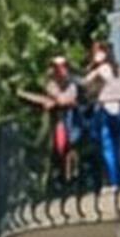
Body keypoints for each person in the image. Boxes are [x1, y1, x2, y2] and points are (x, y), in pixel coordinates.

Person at [18, 56, 77, 188]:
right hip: (56, 122)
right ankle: (55, 178)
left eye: (62, 67)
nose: (60, 70)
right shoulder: (50, 84)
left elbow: (66, 99)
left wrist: (54, 102)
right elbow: (58, 98)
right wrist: (56, 102)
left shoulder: (71, 85)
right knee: (55, 147)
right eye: (57, 67)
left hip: (71, 120)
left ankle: (68, 176)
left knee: (67, 146)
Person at [81, 42, 120, 189]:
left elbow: (85, 82)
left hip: (105, 110)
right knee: (117, 148)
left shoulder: (103, 69)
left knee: (107, 147)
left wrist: (91, 67)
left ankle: (113, 181)